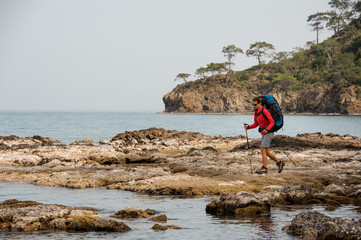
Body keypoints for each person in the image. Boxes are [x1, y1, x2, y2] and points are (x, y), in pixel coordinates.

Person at [244, 95, 285, 174]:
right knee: (267, 152)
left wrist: (267, 129)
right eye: (253, 105)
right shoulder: (256, 112)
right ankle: (279, 163)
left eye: (255, 104)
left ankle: (265, 168)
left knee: (263, 150)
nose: (254, 106)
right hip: (263, 133)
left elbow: (272, 122)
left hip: (269, 132)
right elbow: (256, 124)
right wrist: (248, 127)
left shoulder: (265, 111)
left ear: (260, 104)